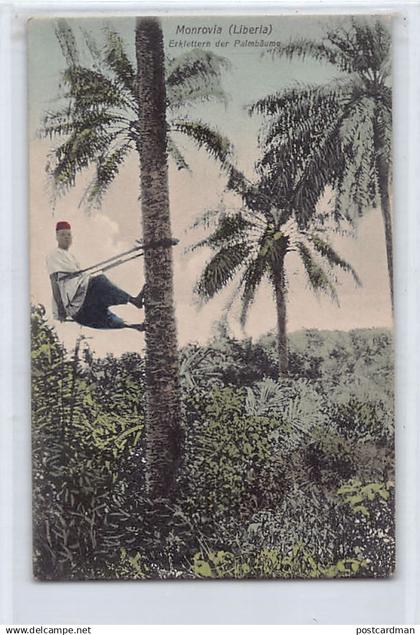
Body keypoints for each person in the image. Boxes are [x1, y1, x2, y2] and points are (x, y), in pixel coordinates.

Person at [46, 221, 146, 332]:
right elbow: (54, 282)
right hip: (74, 302)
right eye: (63, 235)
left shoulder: (71, 256)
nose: (66, 238)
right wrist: (61, 310)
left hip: (82, 303)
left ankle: (135, 326)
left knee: (103, 314)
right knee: (99, 281)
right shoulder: (54, 255)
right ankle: (134, 301)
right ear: (57, 236)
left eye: (69, 235)